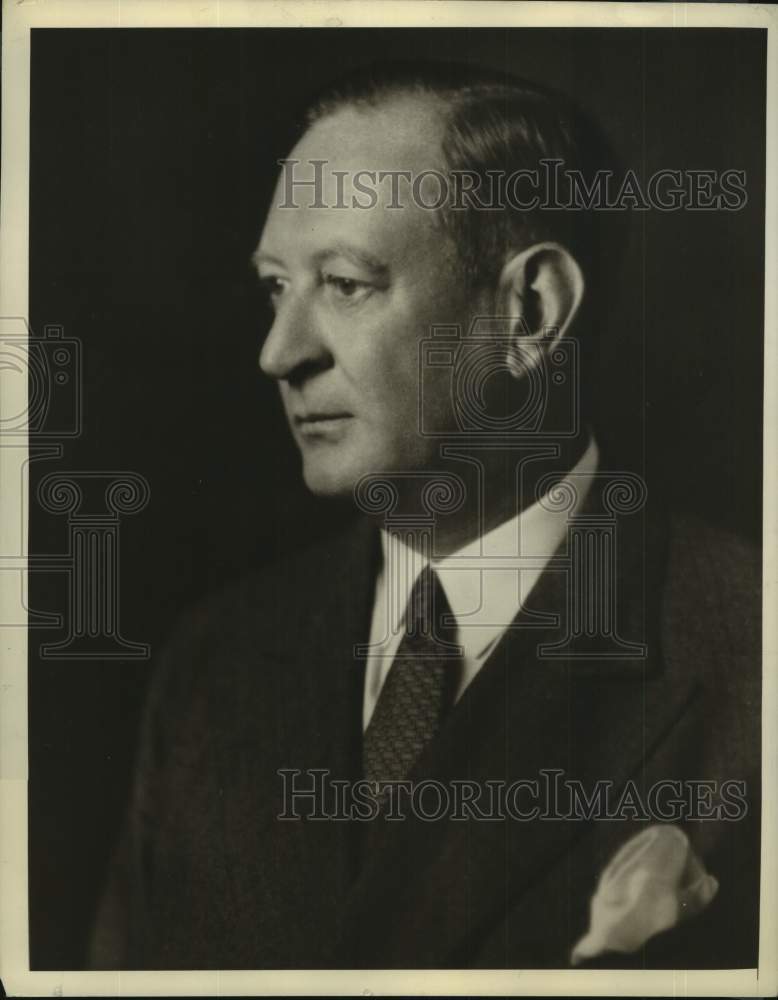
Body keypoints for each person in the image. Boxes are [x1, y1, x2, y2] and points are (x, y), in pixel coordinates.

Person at [90, 60, 761, 971]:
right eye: (276, 287)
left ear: (532, 310)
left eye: (346, 283)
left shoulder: (748, 646)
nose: (277, 354)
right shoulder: (216, 663)